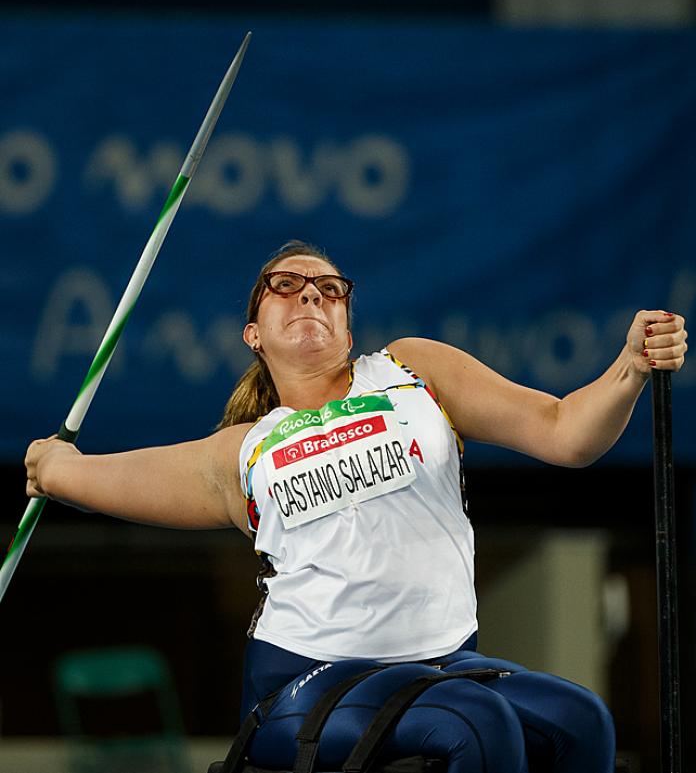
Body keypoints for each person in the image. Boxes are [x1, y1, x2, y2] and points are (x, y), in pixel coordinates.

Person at [25, 240, 688, 773]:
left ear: (347, 326)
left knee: (583, 722)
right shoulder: (244, 450)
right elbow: (97, 477)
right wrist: (54, 465)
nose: (311, 291)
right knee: (476, 725)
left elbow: (565, 430)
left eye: (330, 288)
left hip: (445, 664)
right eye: (285, 285)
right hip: (306, 683)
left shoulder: (412, 372)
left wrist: (629, 366)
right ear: (254, 333)